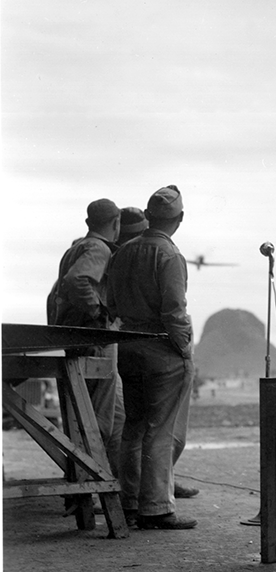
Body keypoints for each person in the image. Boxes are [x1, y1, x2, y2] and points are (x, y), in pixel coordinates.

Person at [106, 185, 197, 530]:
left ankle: (128, 502)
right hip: (161, 350)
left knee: (133, 426)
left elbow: (112, 304)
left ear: (148, 215)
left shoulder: (123, 252)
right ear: (180, 219)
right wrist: (183, 348)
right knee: (160, 431)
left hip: (128, 346)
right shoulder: (169, 255)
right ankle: (156, 508)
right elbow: (174, 310)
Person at [48, 198, 124, 475]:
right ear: (116, 224)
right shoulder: (98, 248)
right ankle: (88, 484)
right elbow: (77, 280)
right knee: (97, 421)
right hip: (94, 342)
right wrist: (99, 316)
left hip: (76, 340)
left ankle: (106, 484)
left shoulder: (76, 248)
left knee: (113, 416)